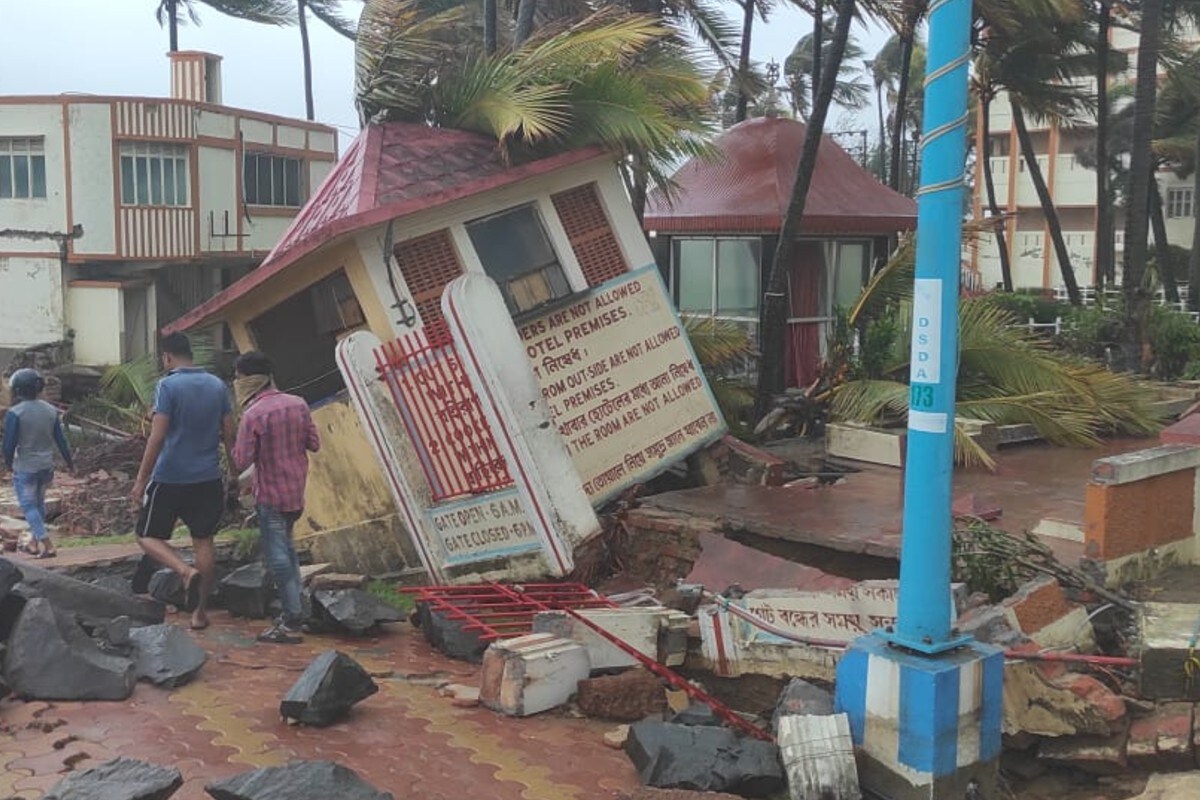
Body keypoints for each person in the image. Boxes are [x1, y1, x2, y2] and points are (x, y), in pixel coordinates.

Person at [131, 333, 235, 630]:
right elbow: (229, 432)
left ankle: (184, 571)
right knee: (204, 540)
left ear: (167, 357)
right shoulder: (217, 385)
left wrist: (141, 480)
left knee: (146, 536)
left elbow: (158, 435)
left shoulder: (168, 385)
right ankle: (200, 614)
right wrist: (234, 472)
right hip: (208, 477)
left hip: (170, 477)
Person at [230, 351, 320, 644]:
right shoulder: (299, 404)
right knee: (289, 551)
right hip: (295, 491)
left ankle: (292, 621)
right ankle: (295, 612)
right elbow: (313, 444)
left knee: (279, 557)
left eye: (238, 377)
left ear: (247, 379)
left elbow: (241, 460)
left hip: (270, 495)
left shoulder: (253, 414)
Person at [2, 369, 74, 558]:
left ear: (17, 390)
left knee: (28, 506)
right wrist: (70, 463)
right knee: (39, 503)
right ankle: (33, 543)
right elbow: (61, 441)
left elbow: (9, 444)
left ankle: (47, 544)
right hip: (46, 466)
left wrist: (7, 464)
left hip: (25, 467)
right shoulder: (50, 410)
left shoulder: (15, 413)